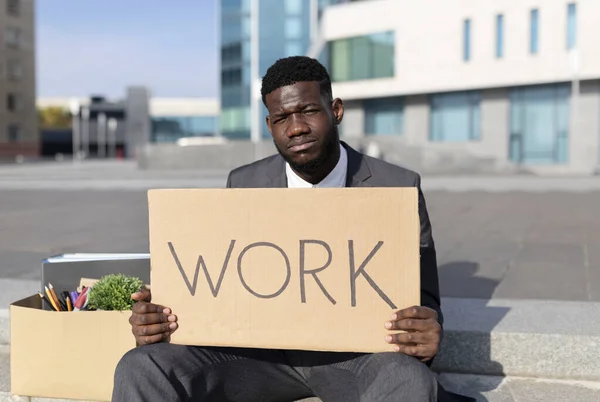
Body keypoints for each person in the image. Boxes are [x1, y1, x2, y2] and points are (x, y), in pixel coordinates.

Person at [112, 56, 473, 402]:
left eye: (308, 111)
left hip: (356, 358)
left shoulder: (397, 187)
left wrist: (425, 329)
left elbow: (425, 297)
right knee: (143, 366)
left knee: (408, 378)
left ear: (336, 110)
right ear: (270, 126)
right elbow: (221, 286)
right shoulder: (244, 182)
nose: (296, 127)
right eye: (282, 117)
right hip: (256, 359)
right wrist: (161, 318)